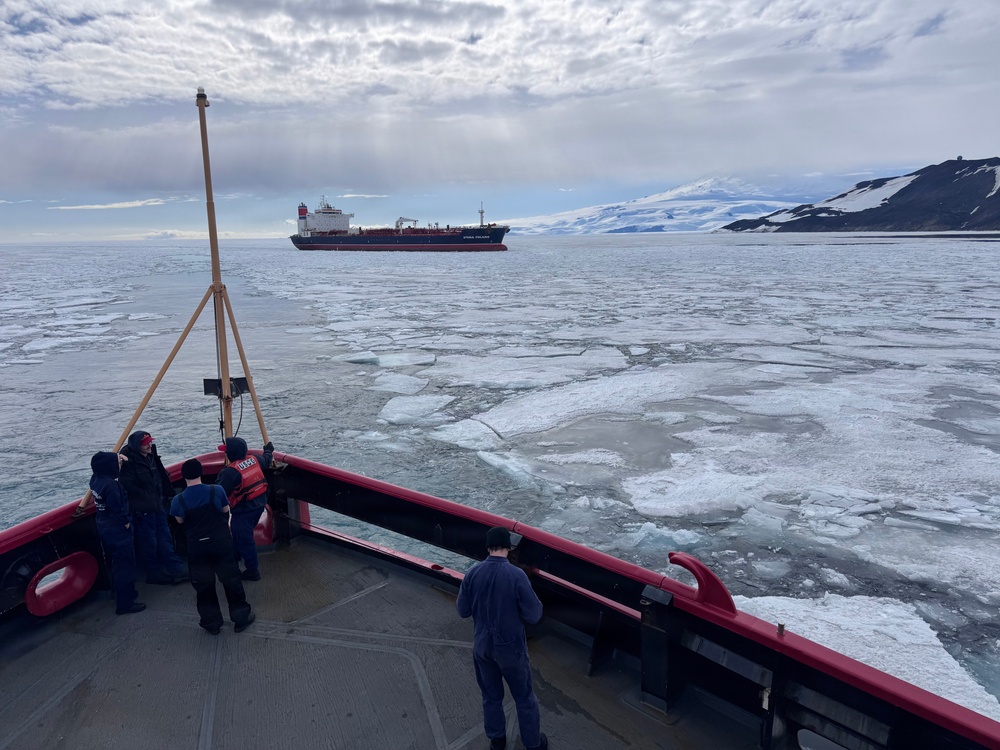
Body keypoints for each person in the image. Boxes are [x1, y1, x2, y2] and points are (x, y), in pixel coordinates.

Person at [456, 526, 548, 750]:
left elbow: (462, 610)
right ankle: (533, 744)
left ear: (488, 548)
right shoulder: (516, 575)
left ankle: (497, 740)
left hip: (482, 648)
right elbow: (534, 614)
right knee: (524, 698)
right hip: (510, 650)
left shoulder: (472, 573)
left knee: (490, 696)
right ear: (508, 547)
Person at [170, 458, 255, 635]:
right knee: (231, 581)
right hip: (220, 544)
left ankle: (212, 624)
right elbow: (225, 511)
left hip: (197, 549)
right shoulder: (216, 490)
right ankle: (240, 619)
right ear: (201, 473)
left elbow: (179, 521)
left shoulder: (178, 500)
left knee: (204, 587)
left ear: (183, 476)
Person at [119, 430, 188, 585]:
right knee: (149, 542)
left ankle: (175, 568)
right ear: (137, 446)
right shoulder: (129, 464)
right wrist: (146, 495)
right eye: (145, 444)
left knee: (165, 537)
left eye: (150, 442)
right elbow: (126, 485)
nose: (149, 445)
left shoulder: (151, 458)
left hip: (157, 505)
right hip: (143, 510)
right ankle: (154, 572)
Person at [89, 451, 145, 615]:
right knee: (125, 566)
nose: (120, 466)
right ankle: (125, 603)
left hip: (104, 526)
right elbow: (117, 508)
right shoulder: (112, 486)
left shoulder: (96, 480)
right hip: (118, 530)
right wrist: (126, 523)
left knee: (115, 563)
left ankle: (121, 593)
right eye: (118, 463)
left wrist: (120, 458)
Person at [216, 437, 274, 581]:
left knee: (245, 540)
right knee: (240, 535)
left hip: (243, 512)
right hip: (260, 505)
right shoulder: (255, 460)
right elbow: (267, 459)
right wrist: (268, 450)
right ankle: (235, 555)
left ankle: (253, 572)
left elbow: (220, 492)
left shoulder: (229, 473)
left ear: (230, 454)